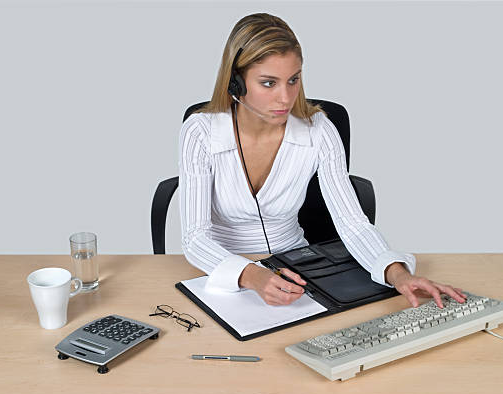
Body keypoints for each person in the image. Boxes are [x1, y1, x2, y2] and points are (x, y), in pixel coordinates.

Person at [179, 13, 466, 308]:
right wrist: (252, 276)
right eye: (268, 83)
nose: (285, 98)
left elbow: (352, 222)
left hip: (297, 273)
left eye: (293, 80)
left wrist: (398, 274)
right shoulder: (200, 133)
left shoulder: (319, 130)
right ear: (235, 83)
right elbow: (195, 237)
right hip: (218, 275)